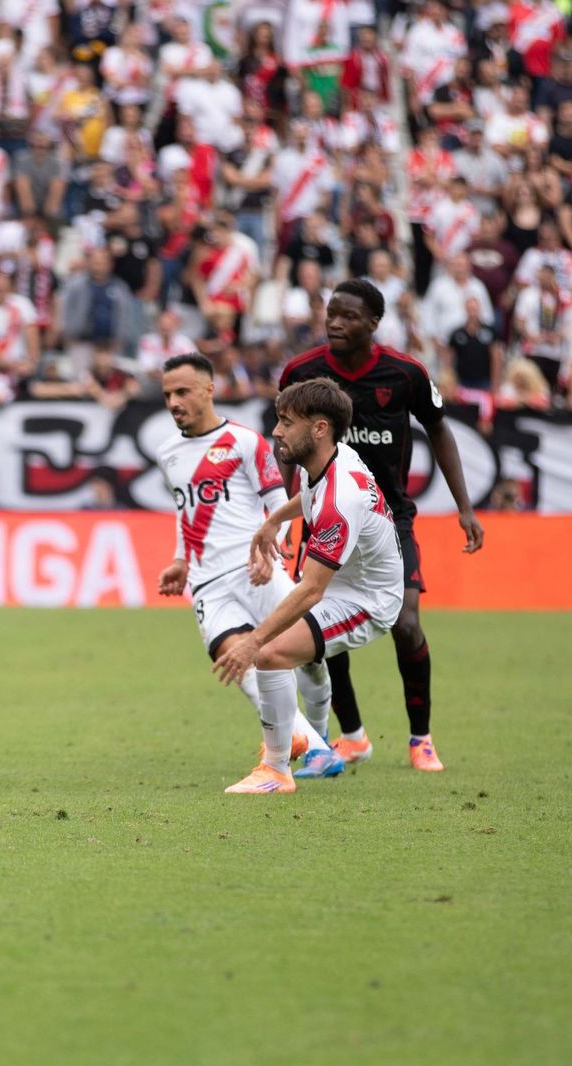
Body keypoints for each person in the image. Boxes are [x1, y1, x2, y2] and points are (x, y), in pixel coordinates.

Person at [278, 279, 485, 772]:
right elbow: (285, 438)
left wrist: (464, 506)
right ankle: (351, 736)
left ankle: (421, 738)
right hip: (325, 514)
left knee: (407, 624)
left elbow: (438, 429)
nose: (334, 322)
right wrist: (289, 506)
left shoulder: (406, 373)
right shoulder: (301, 372)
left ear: (373, 323)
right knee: (317, 629)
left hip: (388, 519)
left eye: (348, 316)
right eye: (330, 312)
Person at [154, 354, 344, 789]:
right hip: (206, 584)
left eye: (182, 391)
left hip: (257, 568)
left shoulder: (245, 442)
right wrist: (182, 559)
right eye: (167, 394)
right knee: (239, 662)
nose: (173, 402)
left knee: (309, 661)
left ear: (208, 389)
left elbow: (279, 504)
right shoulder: (168, 453)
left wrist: (276, 549)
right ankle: (311, 746)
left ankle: (318, 737)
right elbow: (187, 512)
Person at [213, 379, 407, 794]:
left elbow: (312, 590)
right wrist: (273, 521)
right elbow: (307, 497)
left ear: (319, 428)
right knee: (304, 658)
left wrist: (252, 642)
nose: (277, 431)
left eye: (286, 422)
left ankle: (276, 770)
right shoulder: (326, 461)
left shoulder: (341, 497)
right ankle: (319, 749)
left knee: (270, 652)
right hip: (345, 584)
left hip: (369, 600)